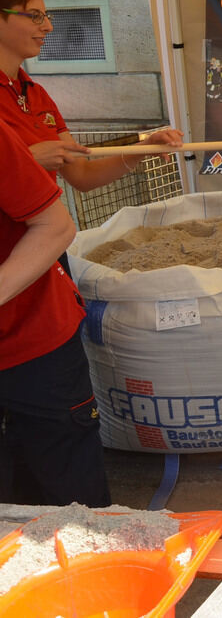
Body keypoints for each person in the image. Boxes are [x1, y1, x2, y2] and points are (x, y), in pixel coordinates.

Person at [0, 0, 183, 271]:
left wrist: (144, 149)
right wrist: (28, 159)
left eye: (46, 16)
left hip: (44, 255)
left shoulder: (35, 94)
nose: (48, 26)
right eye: (34, 16)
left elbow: (81, 174)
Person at [0, 118, 110, 508]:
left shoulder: (33, 97)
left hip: (35, 329)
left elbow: (56, 224)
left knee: (67, 485)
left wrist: (137, 154)